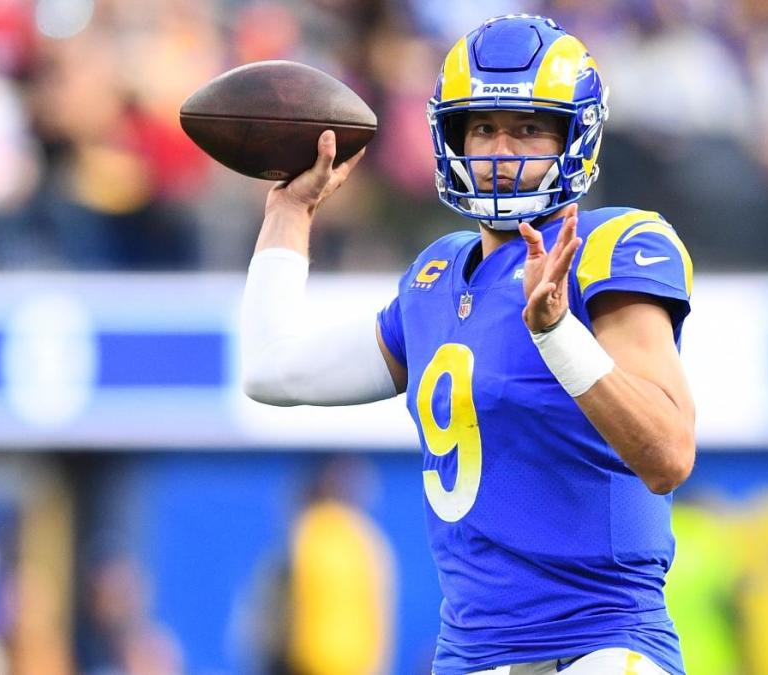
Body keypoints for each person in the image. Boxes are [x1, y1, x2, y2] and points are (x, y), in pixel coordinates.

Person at [239, 15, 696, 675]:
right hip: (470, 657)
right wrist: (288, 213)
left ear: (576, 136)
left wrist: (558, 332)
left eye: (528, 128)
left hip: (597, 644)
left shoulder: (611, 246)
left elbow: (669, 454)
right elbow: (270, 371)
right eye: (483, 127)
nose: (501, 152)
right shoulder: (434, 278)